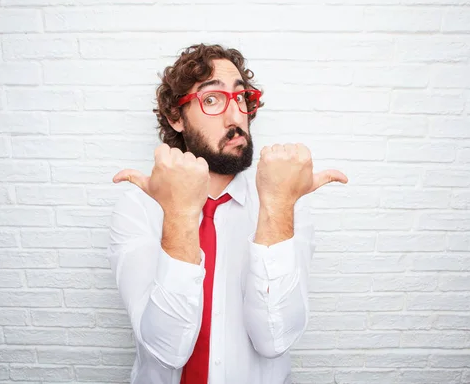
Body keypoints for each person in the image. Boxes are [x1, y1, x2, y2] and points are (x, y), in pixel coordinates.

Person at [108, 44, 348, 384]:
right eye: (211, 100)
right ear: (176, 118)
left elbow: (274, 340)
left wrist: (278, 208)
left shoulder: (285, 201)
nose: (236, 116)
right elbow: (166, 350)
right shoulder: (138, 208)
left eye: (240, 98)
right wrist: (179, 214)